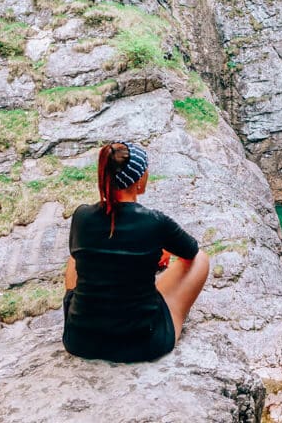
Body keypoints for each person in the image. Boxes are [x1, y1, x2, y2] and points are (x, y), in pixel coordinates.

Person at [62, 141, 209, 362]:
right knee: (201, 259)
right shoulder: (155, 222)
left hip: (81, 340)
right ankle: (162, 316)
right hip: (143, 344)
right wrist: (157, 251)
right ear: (139, 180)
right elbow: (191, 252)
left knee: (75, 258)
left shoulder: (81, 216)